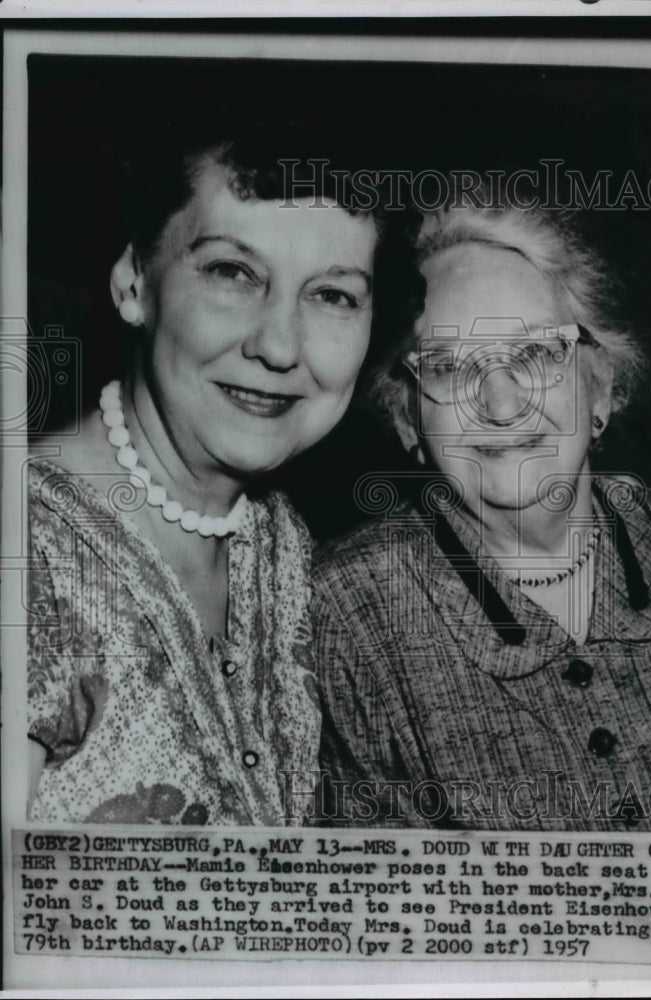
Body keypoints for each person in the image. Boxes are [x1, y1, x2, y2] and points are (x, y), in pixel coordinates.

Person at [26, 134, 417, 826]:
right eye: (232, 273)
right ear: (133, 283)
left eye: (331, 294)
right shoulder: (25, 551)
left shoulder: (282, 543)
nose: (277, 345)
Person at [313, 194, 651, 831]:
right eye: (450, 366)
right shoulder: (346, 616)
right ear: (409, 417)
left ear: (600, 388)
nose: (501, 403)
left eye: (536, 354)